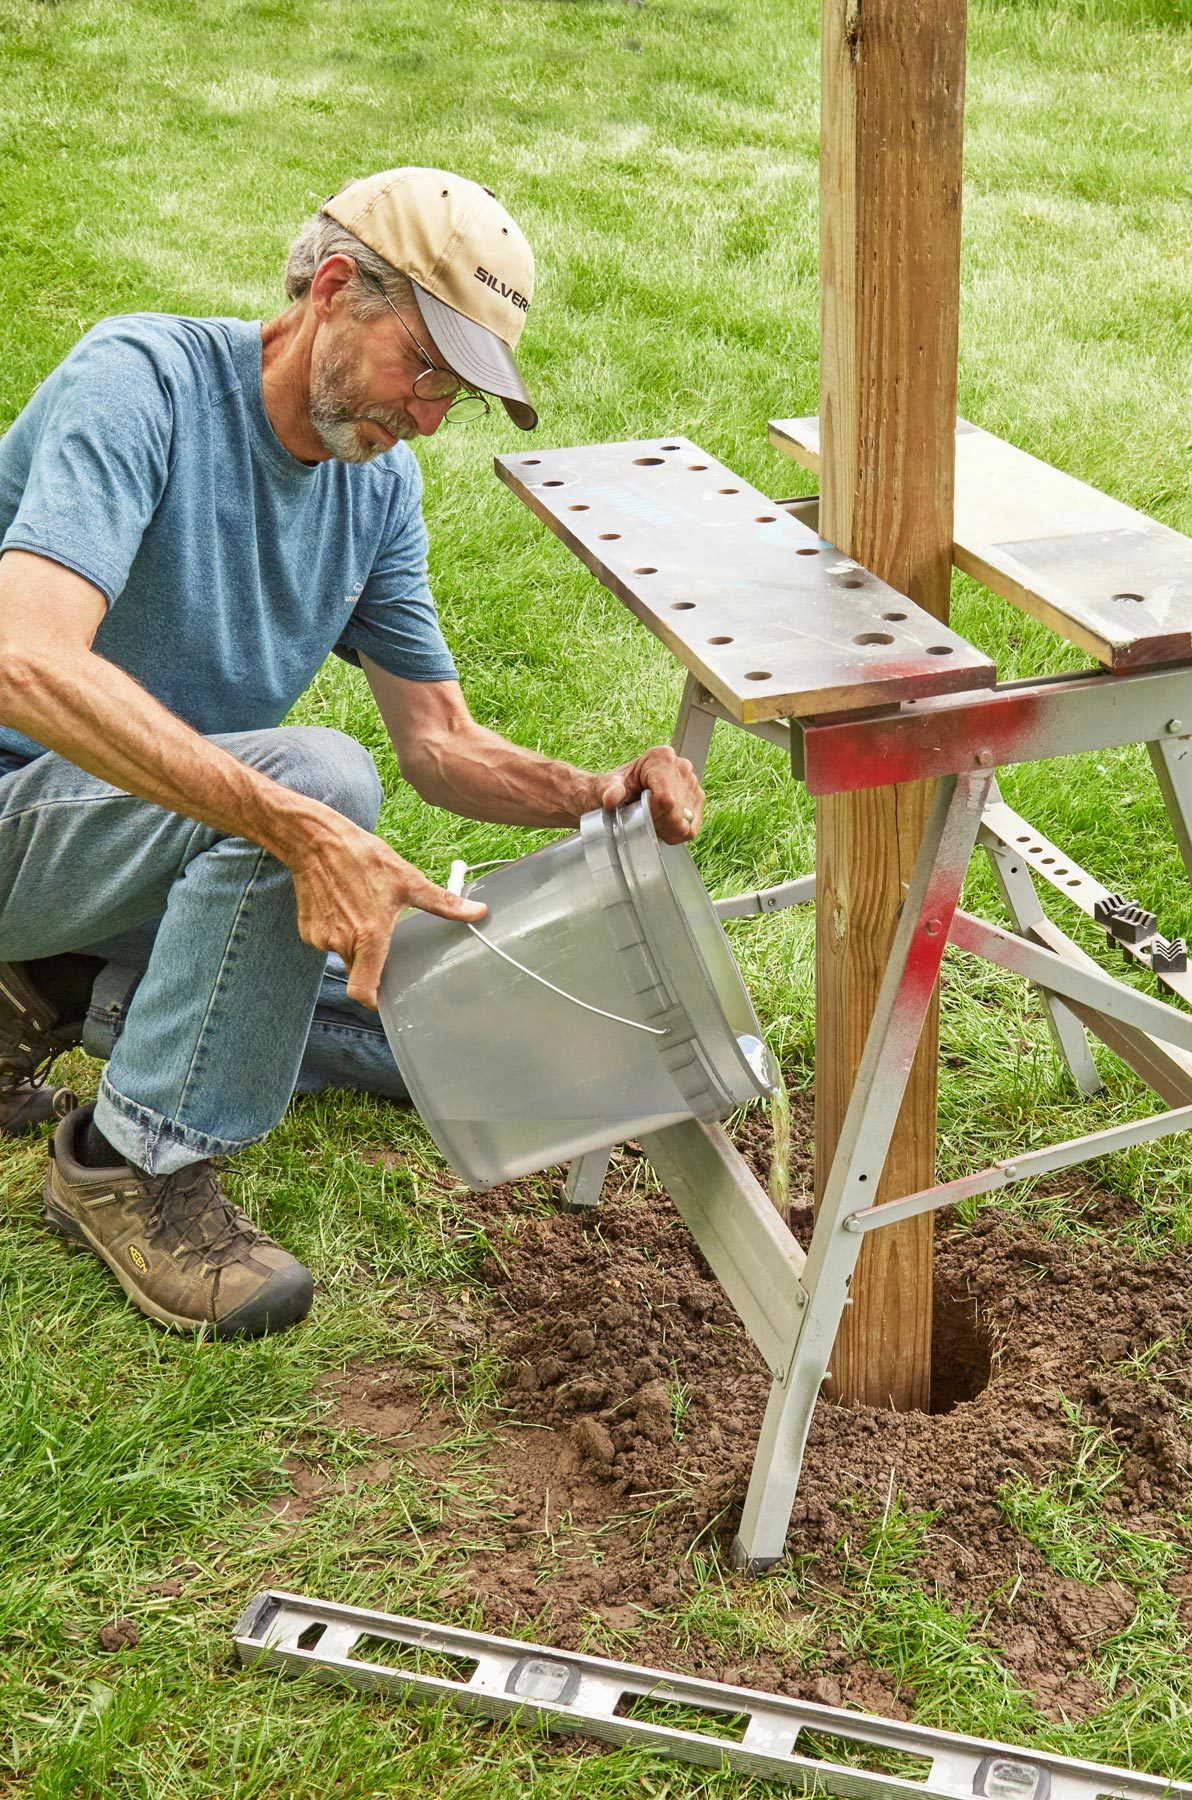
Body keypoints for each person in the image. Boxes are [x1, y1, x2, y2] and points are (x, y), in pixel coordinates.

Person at [0, 167, 702, 1340]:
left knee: (440, 1022)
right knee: (317, 781)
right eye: (425, 368)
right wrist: (296, 822)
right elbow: (25, 658)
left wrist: (591, 795)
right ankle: (132, 1161)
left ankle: (72, 994)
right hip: (19, 816)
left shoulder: (377, 494)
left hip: (136, 851)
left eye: (456, 395)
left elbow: (440, 743)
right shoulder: (141, 384)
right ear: (332, 291)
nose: (428, 415)